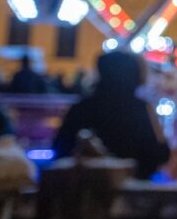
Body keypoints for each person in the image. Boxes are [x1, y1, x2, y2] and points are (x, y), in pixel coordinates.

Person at [53, 51, 169, 179]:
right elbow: (160, 153)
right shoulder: (141, 109)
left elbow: (60, 149)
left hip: (84, 190)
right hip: (131, 189)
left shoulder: (81, 108)